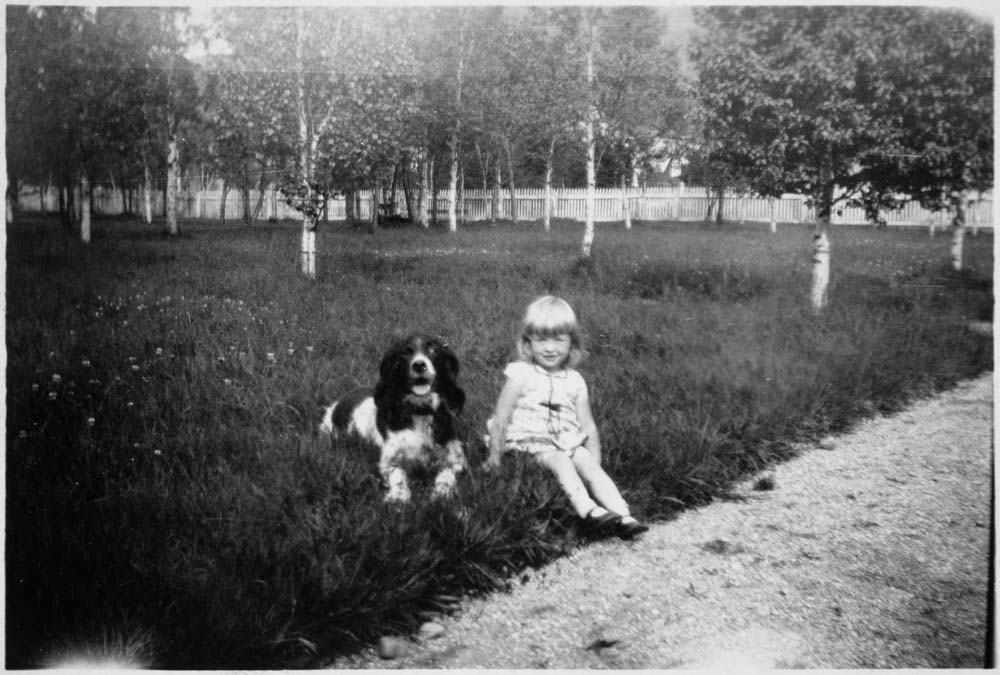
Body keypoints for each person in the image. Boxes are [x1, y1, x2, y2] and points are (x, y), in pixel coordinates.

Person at [486, 295, 649, 539]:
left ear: (571, 343)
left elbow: (588, 426)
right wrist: (494, 457)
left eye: (558, 340)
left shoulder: (575, 381)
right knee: (561, 460)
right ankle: (587, 510)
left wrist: (594, 460)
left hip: (567, 439)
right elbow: (501, 417)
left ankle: (622, 513)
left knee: (586, 462)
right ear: (528, 343)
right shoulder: (520, 373)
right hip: (530, 441)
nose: (550, 348)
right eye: (541, 340)